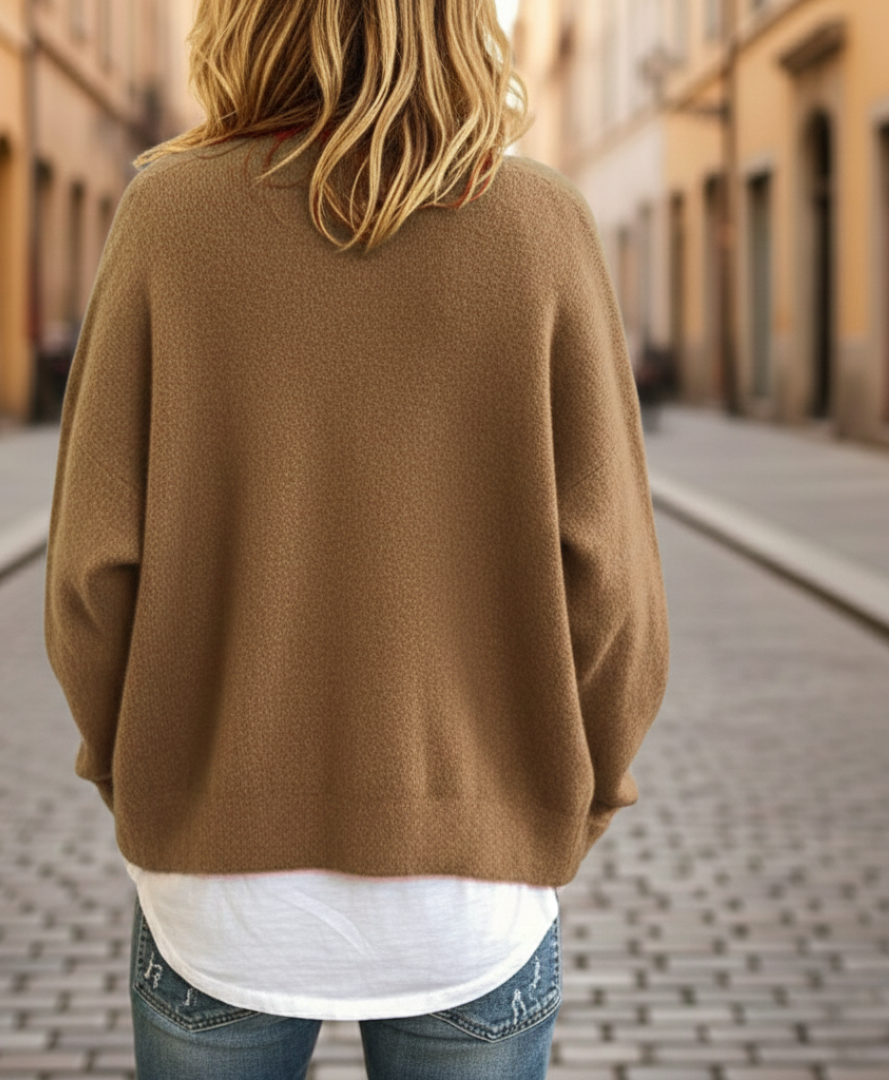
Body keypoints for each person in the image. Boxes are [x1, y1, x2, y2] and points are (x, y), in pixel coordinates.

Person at [44, 0, 670, 1076]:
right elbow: (613, 590)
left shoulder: (167, 219)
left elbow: (90, 578)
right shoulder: (543, 225)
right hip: (472, 895)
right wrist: (576, 795)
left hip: (217, 891)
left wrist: (151, 775)